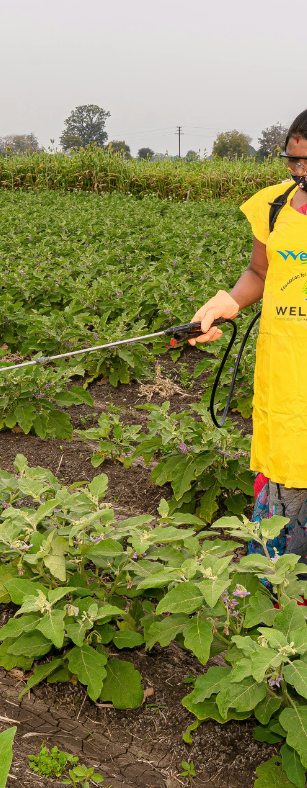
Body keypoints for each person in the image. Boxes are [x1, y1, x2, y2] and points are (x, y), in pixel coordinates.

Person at [191, 110, 307, 567]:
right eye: (293, 162)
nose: (300, 173)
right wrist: (230, 302)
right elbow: (260, 272)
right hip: (284, 367)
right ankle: (279, 588)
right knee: (286, 470)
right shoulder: (274, 205)